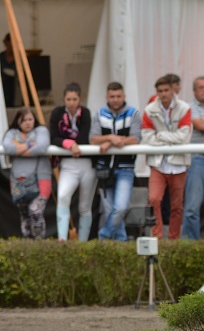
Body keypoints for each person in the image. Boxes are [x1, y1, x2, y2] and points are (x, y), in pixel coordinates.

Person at [142, 75, 192, 239]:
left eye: (166, 90)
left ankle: (173, 239)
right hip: (158, 163)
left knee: (177, 206)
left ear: (173, 90)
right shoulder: (149, 109)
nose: (163, 94)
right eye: (160, 91)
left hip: (178, 164)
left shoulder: (184, 108)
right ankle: (157, 237)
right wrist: (171, 138)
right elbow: (147, 137)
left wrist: (160, 135)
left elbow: (184, 137)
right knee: (154, 199)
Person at [90, 82, 141, 241]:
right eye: (112, 96)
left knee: (120, 208)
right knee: (109, 210)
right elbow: (93, 139)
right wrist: (111, 138)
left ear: (124, 96)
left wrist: (111, 142)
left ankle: (103, 237)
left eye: (118, 96)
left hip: (125, 168)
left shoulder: (133, 113)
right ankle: (121, 244)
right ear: (107, 97)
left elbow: (135, 139)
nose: (115, 99)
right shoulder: (99, 113)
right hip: (104, 169)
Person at [49, 83, 96, 241]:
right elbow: (53, 137)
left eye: (74, 99)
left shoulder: (86, 113)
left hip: (87, 163)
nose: (71, 103)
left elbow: (84, 137)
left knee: (84, 206)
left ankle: (82, 243)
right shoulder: (57, 113)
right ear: (64, 99)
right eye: (68, 99)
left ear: (80, 99)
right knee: (62, 196)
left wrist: (70, 142)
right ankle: (62, 239)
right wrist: (69, 144)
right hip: (68, 163)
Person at [3, 107, 51, 238]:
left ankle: (39, 245)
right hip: (18, 180)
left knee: (35, 211)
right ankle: (27, 246)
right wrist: (30, 144)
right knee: (24, 215)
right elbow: (8, 147)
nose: (28, 122)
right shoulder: (12, 132)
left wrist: (19, 147)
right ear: (18, 121)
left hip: (40, 179)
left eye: (30, 119)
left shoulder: (42, 130)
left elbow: (41, 147)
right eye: (24, 120)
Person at [181, 76, 204, 240]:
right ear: (194, 91)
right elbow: (200, 126)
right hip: (198, 159)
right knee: (192, 206)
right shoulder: (188, 108)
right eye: (201, 87)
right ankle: (190, 244)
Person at [1, 33, 17, 107]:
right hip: (2, 93)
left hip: (15, 94)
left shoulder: (19, 59)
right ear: (7, 42)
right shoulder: (1, 57)